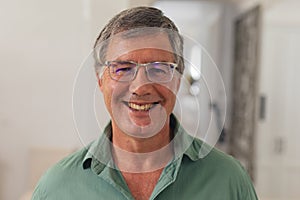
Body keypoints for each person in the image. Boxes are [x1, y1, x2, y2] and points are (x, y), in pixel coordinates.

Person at [32, 6, 258, 200]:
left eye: (159, 69)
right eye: (122, 68)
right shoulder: (55, 188)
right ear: (100, 80)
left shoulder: (229, 181)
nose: (140, 87)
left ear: (177, 81)